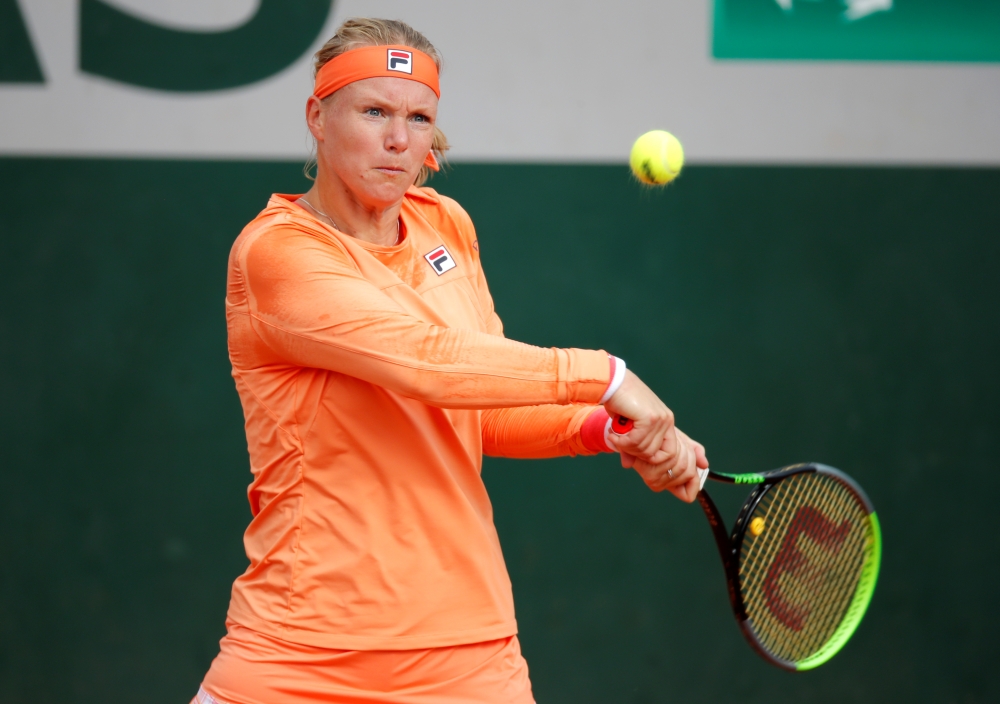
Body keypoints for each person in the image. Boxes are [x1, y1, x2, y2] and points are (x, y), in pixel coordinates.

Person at [192, 17, 708, 704]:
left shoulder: (447, 227)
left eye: (419, 117)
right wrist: (610, 377)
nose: (400, 140)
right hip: (298, 650)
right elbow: (426, 363)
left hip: (467, 653)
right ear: (318, 116)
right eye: (374, 112)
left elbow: (475, 406)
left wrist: (603, 428)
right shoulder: (276, 252)